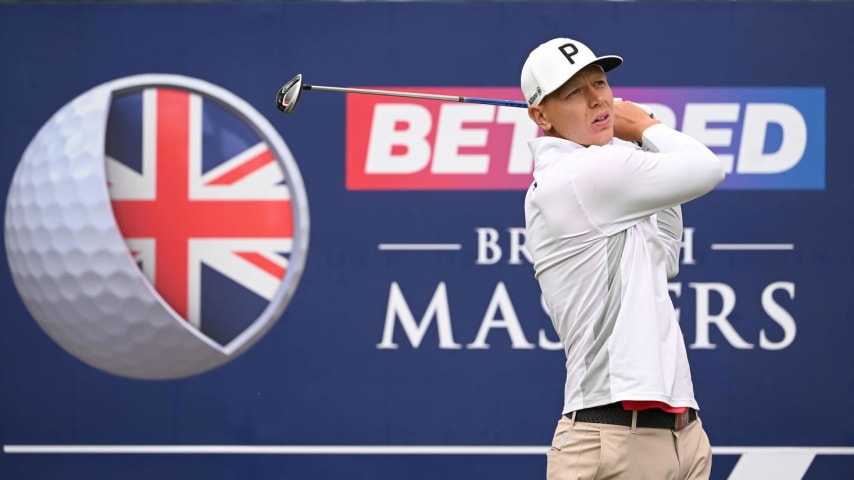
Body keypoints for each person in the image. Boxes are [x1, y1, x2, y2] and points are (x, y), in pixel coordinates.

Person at [520, 37, 725, 480]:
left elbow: (666, 253)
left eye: (600, 83)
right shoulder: (578, 175)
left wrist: (636, 139)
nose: (597, 98)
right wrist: (648, 128)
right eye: (574, 92)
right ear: (541, 117)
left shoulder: (609, 178)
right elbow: (707, 169)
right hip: (611, 439)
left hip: (683, 436)